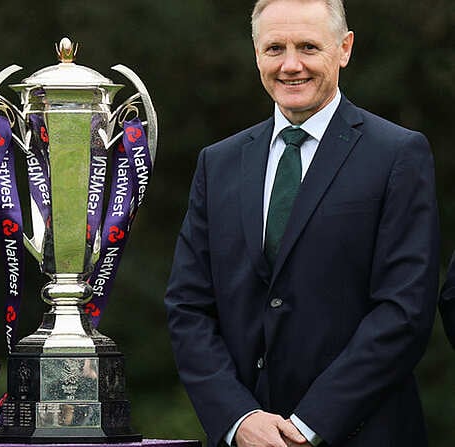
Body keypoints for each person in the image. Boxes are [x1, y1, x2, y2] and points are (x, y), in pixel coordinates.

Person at [163, 0, 439, 446]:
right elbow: (188, 306)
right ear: (256, 54)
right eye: (275, 49)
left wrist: (309, 426)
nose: (291, 65)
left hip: (363, 433)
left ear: (344, 48)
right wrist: (239, 418)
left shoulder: (397, 155)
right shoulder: (219, 163)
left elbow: (404, 310)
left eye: (308, 47)